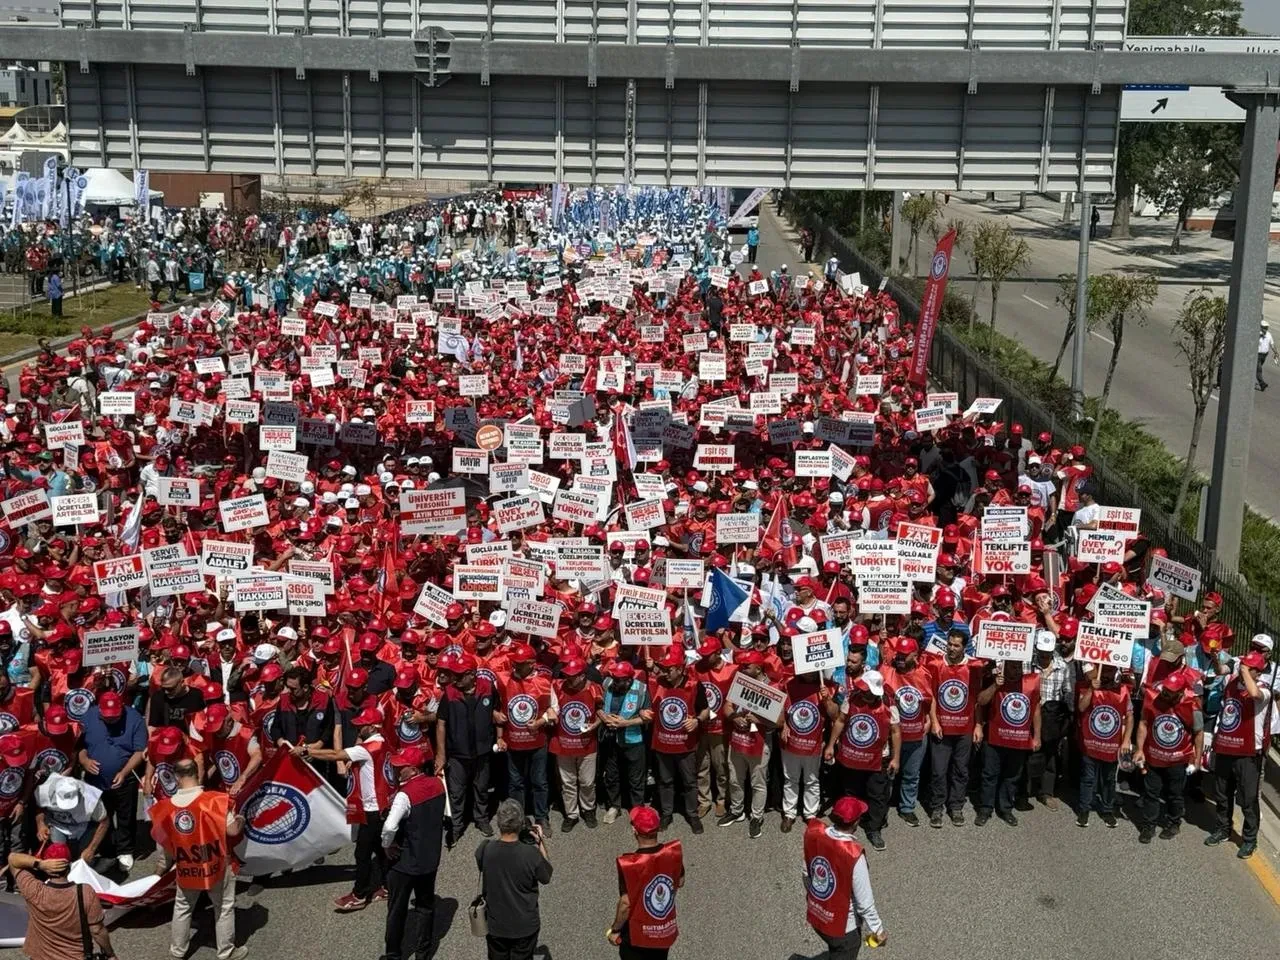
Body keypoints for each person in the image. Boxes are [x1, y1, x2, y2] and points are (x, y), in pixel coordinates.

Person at [149, 757, 248, 960]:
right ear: (197, 773)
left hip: (186, 866)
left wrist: (158, 873)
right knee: (224, 907)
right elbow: (232, 830)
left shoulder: (166, 808)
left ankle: (178, 951)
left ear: (176, 778)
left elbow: (167, 848)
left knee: (183, 907)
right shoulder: (215, 800)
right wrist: (241, 818)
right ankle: (226, 952)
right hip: (216, 864)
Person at [300, 704, 392, 911]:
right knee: (380, 848)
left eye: (363, 726)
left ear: (373, 727)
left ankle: (359, 895)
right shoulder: (384, 741)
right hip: (382, 804)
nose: (359, 730)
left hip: (373, 807)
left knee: (362, 853)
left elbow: (335, 755)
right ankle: (388, 886)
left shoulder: (367, 748)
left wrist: (307, 750)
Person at [380, 745, 447, 960]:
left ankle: (393, 954)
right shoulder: (438, 784)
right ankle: (423, 952)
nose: (398, 771)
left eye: (402, 767)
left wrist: (386, 845)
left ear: (415, 769)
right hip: (430, 859)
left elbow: (390, 827)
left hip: (404, 863)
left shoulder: (404, 795)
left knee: (397, 910)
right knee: (426, 907)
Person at [1204, 648, 1272, 858]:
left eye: (1248, 667)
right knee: (1222, 793)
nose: (1242, 669)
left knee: (1248, 798)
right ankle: (1223, 828)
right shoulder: (1232, 682)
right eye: (1243, 665)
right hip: (1225, 747)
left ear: (1257, 672)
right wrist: (1216, 659)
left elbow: (1253, 694)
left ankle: (1249, 840)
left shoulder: (1263, 689)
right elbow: (1220, 671)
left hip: (1248, 754)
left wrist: (1243, 671)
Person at [801, 796, 887, 960]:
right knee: (845, 950)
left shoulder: (815, 834)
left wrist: (816, 899)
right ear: (855, 822)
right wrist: (877, 930)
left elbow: (806, 872)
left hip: (817, 914)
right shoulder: (853, 855)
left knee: (834, 949)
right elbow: (865, 903)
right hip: (843, 929)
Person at [8, 843, 118, 960]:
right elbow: (97, 930)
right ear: (69, 866)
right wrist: (110, 954)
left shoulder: (33, 890)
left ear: (48, 868)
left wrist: (39, 864)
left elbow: (12, 858)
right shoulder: (84, 892)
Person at [476, 798, 553, 960]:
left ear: (499, 822)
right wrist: (540, 843)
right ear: (521, 824)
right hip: (524, 926)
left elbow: (482, 864)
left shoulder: (485, 848)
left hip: (496, 924)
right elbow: (546, 876)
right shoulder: (530, 854)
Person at [78, 690, 145, 870]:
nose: (111, 721)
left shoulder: (135, 718)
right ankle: (106, 849)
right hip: (95, 779)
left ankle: (125, 849)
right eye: (107, 718)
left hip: (125, 777)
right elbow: (80, 747)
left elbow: (140, 751)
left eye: (114, 717)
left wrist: (124, 772)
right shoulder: (88, 716)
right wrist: (84, 760)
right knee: (100, 814)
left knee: (125, 814)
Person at [606, 805, 684, 959]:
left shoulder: (629, 864)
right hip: (663, 931)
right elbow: (679, 881)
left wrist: (615, 929)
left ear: (634, 831)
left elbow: (626, 904)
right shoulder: (673, 852)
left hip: (637, 935)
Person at [1134, 672, 1203, 844]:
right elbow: (1143, 723)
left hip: (1178, 760)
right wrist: (1140, 749)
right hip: (1154, 757)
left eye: (1170, 692)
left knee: (1175, 794)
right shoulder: (1152, 699)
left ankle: (1173, 823)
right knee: (1151, 793)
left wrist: (1197, 758)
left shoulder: (1192, 707)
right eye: (1164, 689)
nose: (1165, 694)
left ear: (1180, 692)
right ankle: (1148, 825)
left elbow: (1198, 733)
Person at [976, 659, 1041, 827]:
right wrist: (995, 686)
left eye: (1019, 667)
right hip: (995, 737)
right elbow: (981, 701)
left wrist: (1037, 736)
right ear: (1005, 666)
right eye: (1012, 666)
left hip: (1018, 738)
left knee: (1012, 776)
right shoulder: (996, 680)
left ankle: (1005, 808)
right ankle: (985, 808)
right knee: (989, 774)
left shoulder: (1031, 682)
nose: (1016, 670)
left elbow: (1035, 710)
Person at [1075, 663, 1132, 829]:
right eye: (1105, 669)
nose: (1107, 673)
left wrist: (1127, 740)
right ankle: (1084, 809)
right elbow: (1081, 707)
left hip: (1112, 745)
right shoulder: (1088, 687)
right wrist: (1092, 690)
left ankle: (1107, 809)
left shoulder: (1122, 690)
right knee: (1088, 778)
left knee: (1108, 779)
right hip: (1091, 743)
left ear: (1115, 671)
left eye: (1111, 670)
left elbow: (1129, 717)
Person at [599, 660, 650, 824]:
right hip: (610, 738)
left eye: (619, 680)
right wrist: (605, 717)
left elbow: (648, 716)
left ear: (629, 680)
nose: (615, 682)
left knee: (636, 778)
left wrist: (624, 723)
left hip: (633, 739)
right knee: (612, 775)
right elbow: (597, 706)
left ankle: (638, 810)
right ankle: (614, 806)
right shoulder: (607, 684)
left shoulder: (641, 689)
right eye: (614, 678)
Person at [1258, 318, 1276, 391]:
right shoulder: (1257, 335)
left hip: (1264, 355)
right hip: (1257, 355)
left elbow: (1272, 344)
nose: (1266, 329)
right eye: (1264, 328)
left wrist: (1276, 352)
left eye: (1267, 328)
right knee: (1258, 369)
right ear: (1261, 328)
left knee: (1258, 369)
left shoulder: (1269, 335)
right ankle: (1262, 384)